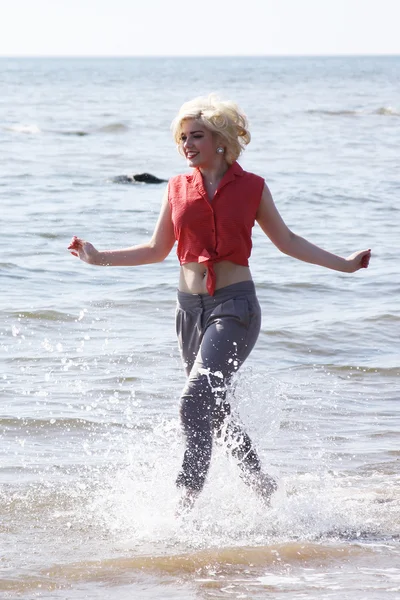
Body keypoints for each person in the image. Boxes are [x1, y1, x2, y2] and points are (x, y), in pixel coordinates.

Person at [68, 95, 371, 513]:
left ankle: (183, 505)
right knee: (214, 409)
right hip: (188, 311)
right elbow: (157, 249)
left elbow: (288, 241)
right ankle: (262, 486)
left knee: (194, 401)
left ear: (221, 140)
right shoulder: (176, 187)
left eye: (197, 136)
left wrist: (344, 265)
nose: (187, 145)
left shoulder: (252, 187)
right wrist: (98, 257)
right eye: (183, 138)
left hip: (235, 308)